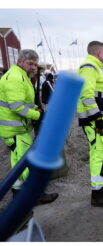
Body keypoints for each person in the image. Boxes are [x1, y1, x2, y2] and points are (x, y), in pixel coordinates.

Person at [0, 49, 58, 204]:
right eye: (30, 63)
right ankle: (35, 196)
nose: (33, 67)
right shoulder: (15, 78)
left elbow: (24, 104)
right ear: (20, 61)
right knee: (28, 164)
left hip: (16, 129)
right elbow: (17, 107)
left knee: (18, 164)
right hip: (15, 130)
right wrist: (38, 115)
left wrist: (35, 109)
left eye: (35, 64)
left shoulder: (20, 76)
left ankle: (18, 195)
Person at [77, 41, 103, 208]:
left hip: (97, 119)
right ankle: (97, 195)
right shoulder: (89, 67)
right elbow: (86, 95)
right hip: (94, 121)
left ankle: (101, 187)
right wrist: (97, 118)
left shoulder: (93, 67)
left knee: (102, 155)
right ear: (99, 53)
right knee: (99, 156)